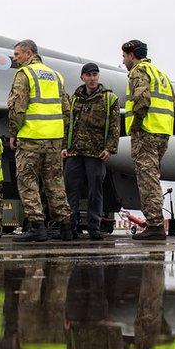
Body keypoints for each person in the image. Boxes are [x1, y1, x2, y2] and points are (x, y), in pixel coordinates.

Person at [7, 39, 73, 242]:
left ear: (28, 53)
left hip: (31, 139)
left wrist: (13, 133)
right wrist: (62, 137)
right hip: (54, 139)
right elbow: (67, 110)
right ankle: (66, 228)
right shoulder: (56, 76)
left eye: (17, 54)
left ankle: (37, 227)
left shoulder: (24, 74)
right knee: (55, 182)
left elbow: (17, 107)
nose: (15, 58)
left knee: (28, 182)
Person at [122, 40, 175, 241]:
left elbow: (142, 100)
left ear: (132, 54)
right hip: (162, 132)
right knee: (152, 177)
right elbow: (174, 105)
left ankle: (154, 225)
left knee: (147, 179)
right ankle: (154, 223)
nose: (123, 60)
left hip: (146, 132)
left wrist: (136, 125)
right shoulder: (160, 74)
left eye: (124, 56)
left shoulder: (139, 71)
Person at [62, 63, 121, 240]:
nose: (92, 78)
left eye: (95, 74)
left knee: (95, 191)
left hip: (96, 153)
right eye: (88, 75)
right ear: (82, 77)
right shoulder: (74, 99)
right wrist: (64, 146)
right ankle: (70, 227)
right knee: (70, 190)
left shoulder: (109, 98)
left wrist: (109, 148)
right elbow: (68, 124)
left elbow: (115, 127)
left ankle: (94, 228)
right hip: (75, 152)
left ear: (98, 76)